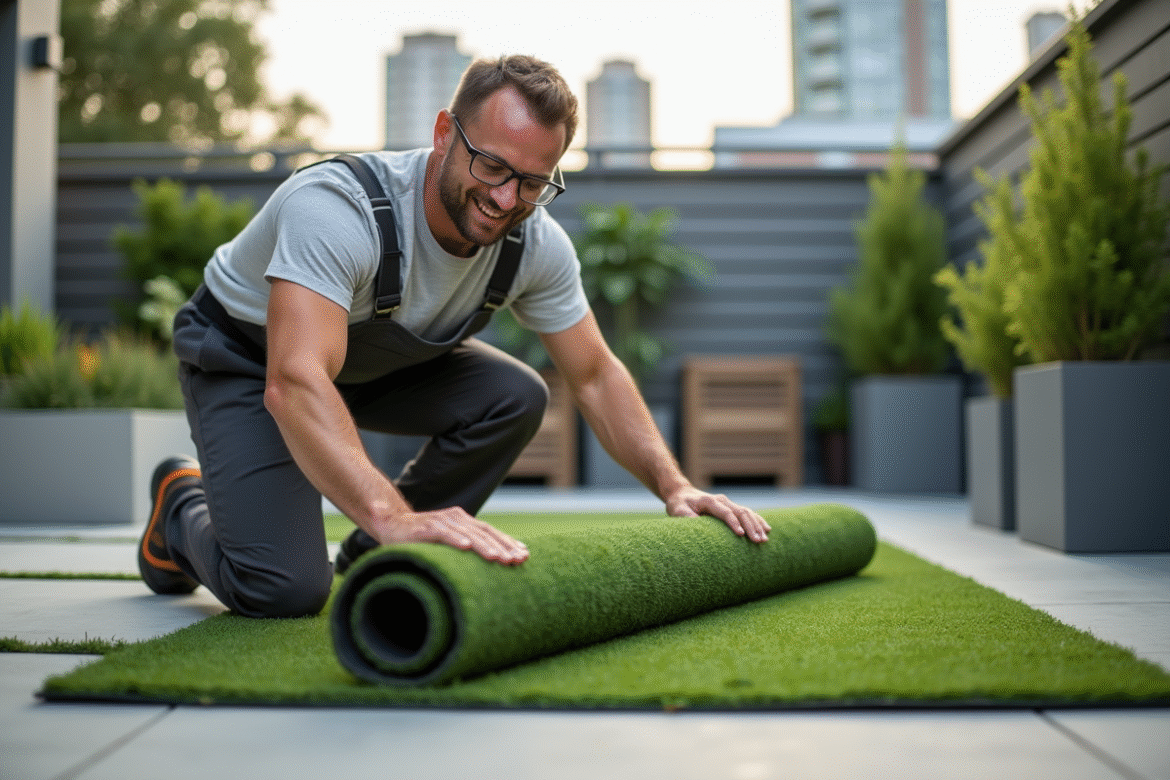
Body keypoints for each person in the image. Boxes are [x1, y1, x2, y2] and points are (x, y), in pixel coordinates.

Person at [138, 55, 771, 618]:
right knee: (283, 590)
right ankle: (180, 504)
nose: (505, 198)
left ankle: (377, 557)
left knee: (516, 396)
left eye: (532, 182)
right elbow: (295, 381)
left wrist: (676, 486)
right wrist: (393, 514)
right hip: (251, 360)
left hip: (364, 369)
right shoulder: (338, 208)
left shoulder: (534, 245)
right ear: (444, 132)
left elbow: (595, 374)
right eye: (492, 166)